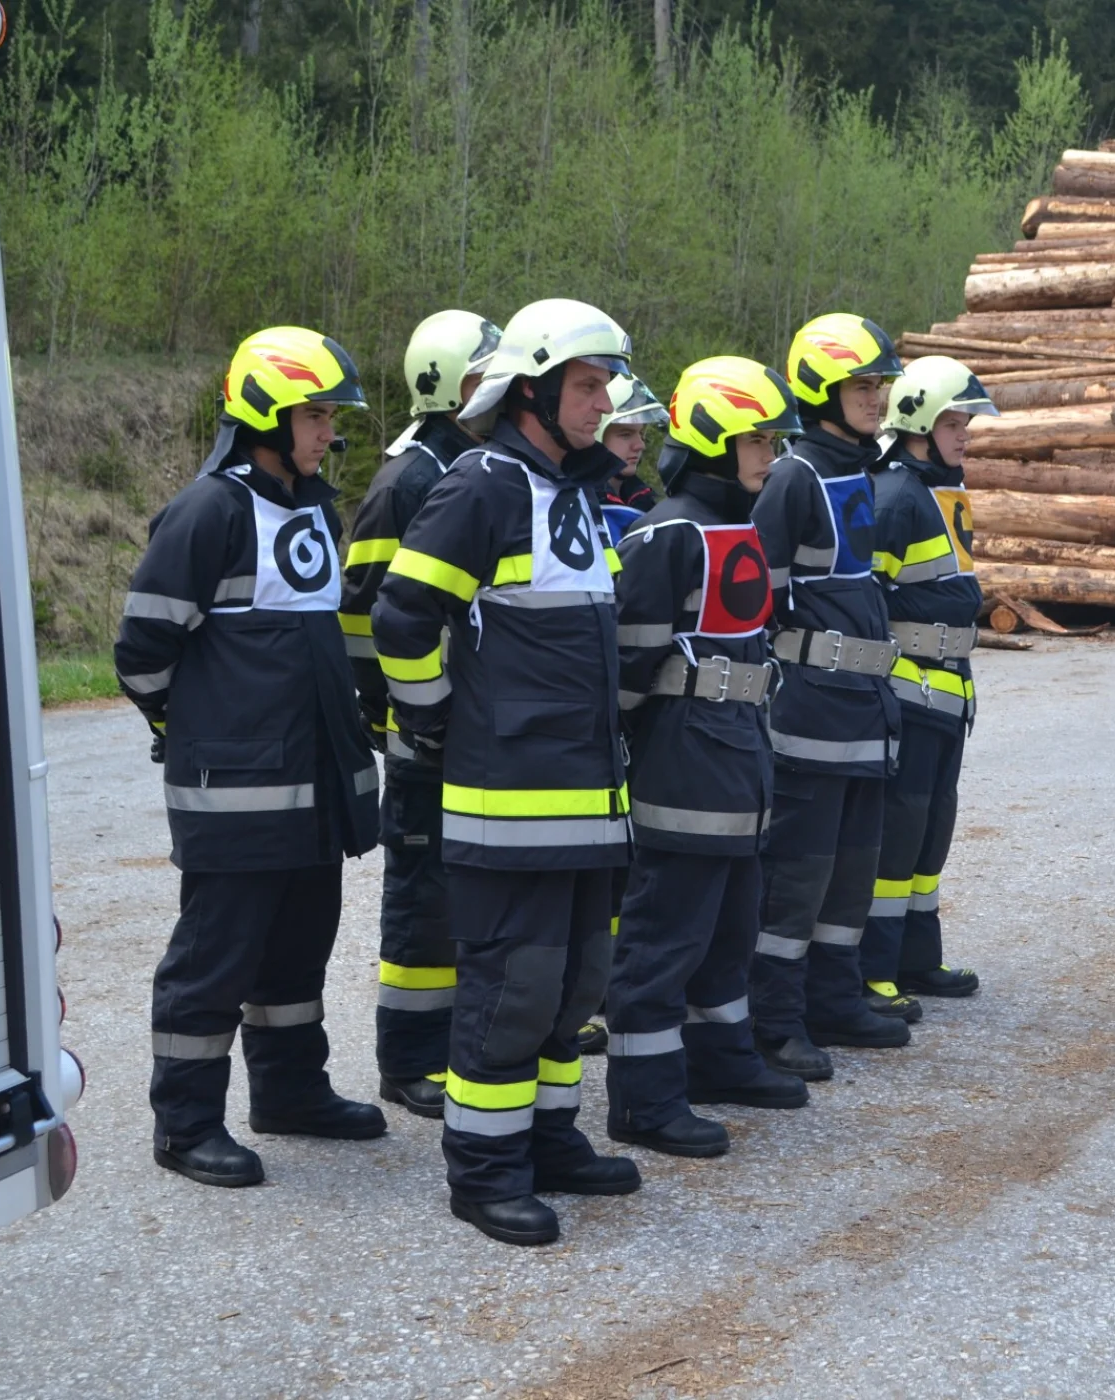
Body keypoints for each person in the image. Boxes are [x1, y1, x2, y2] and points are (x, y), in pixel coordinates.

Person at [371, 299, 640, 1247]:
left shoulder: (574, 492)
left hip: (588, 804)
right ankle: (484, 1172)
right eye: (587, 385)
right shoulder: (481, 486)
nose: (603, 402)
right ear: (531, 390)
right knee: (512, 990)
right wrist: (437, 718)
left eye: (604, 385)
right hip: (510, 806)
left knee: (575, 984)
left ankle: (549, 1140)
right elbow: (400, 617)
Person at [115, 326, 384, 1188]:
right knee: (213, 960)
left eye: (332, 418)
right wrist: (195, 727)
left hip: (312, 790)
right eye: (315, 416)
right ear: (266, 414)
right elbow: (142, 653)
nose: (328, 433)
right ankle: (186, 1126)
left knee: (296, 954)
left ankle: (290, 1094)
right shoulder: (209, 511)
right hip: (236, 791)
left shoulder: (312, 508)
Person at [602, 356, 814, 1157]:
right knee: (664, 938)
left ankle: (721, 1059)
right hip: (683, 764)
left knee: (730, 928)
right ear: (714, 442)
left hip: (738, 761)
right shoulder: (666, 533)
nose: (770, 455)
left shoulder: (738, 526)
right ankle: (645, 1100)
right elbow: (627, 665)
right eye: (757, 440)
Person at [339, 309, 500, 1117]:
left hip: (472, 728)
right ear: (449, 387)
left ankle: (460, 1043)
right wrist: (402, 720)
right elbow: (363, 620)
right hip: (424, 732)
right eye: (485, 377)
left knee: (468, 893)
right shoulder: (408, 480)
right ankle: (408, 1061)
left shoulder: (473, 466)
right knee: (423, 902)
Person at [749, 312, 909, 1081]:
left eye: (880, 384)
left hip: (863, 714)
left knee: (851, 873)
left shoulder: (857, 471)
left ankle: (834, 999)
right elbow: (755, 604)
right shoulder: (793, 478)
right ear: (819, 390)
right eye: (861, 385)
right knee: (796, 878)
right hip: (809, 720)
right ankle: (775, 1022)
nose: (876, 398)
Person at [861, 355, 995, 1018]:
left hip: (947, 693)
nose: (963, 432)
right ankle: (875, 969)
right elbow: (867, 598)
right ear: (916, 424)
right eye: (951, 421)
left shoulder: (942, 489)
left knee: (931, 829)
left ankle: (918, 956)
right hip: (909, 695)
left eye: (965, 421)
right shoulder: (894, 497)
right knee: (899, 831)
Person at [579, 373, 671, 1058]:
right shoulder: (585, 502)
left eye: (641, 433)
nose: (636, 444)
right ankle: (590, 988)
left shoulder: (642, 504)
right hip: (593, 698)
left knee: (627, 854)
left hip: (633, 700)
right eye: (624, 432)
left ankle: (611, 983)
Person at [598, 374, 665, 539]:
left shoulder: (646, 504)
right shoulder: (579, 507)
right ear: (596, 435)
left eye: (641, 434)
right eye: (626, 434)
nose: (640, 445)